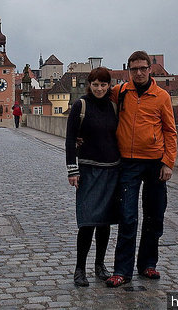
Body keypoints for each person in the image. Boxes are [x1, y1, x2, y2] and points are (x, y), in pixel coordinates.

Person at [105, 51, 177, 287]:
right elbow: (97, 100)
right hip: (129, 161)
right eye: (134, 69)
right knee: (127, 216)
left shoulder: (161, 96)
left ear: (149, 69)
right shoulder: (121, 92)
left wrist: (168, 162)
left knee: (154, 215)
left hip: (155, 161)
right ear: (129, 70)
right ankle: (122, 270)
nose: (138, 73)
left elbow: (170, 131)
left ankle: (148, 264)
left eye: (142, 68)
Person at [65, 67, 121, 287]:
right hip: (88, 170)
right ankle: (80, 269)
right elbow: (70, 139)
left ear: (109, 86)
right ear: (89, 85)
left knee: (104, 222)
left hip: (112, 169)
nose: (99, 89)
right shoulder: (81, 105)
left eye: (103, 85)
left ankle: (100, 265)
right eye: (96, 84)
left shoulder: (114, 106)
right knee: (87, 222)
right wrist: (72, 169)